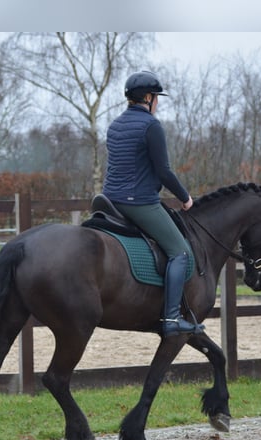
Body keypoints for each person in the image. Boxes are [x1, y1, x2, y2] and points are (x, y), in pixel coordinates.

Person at [102, 70, 203, 337]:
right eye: (156, 97)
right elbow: (164, 172)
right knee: (180, 252)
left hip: (109, 201)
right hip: (138, 203)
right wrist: (185, 197)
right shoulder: (151, 126)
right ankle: (171, 319)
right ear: (148, 97)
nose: (157, 102)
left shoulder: (114, 126)